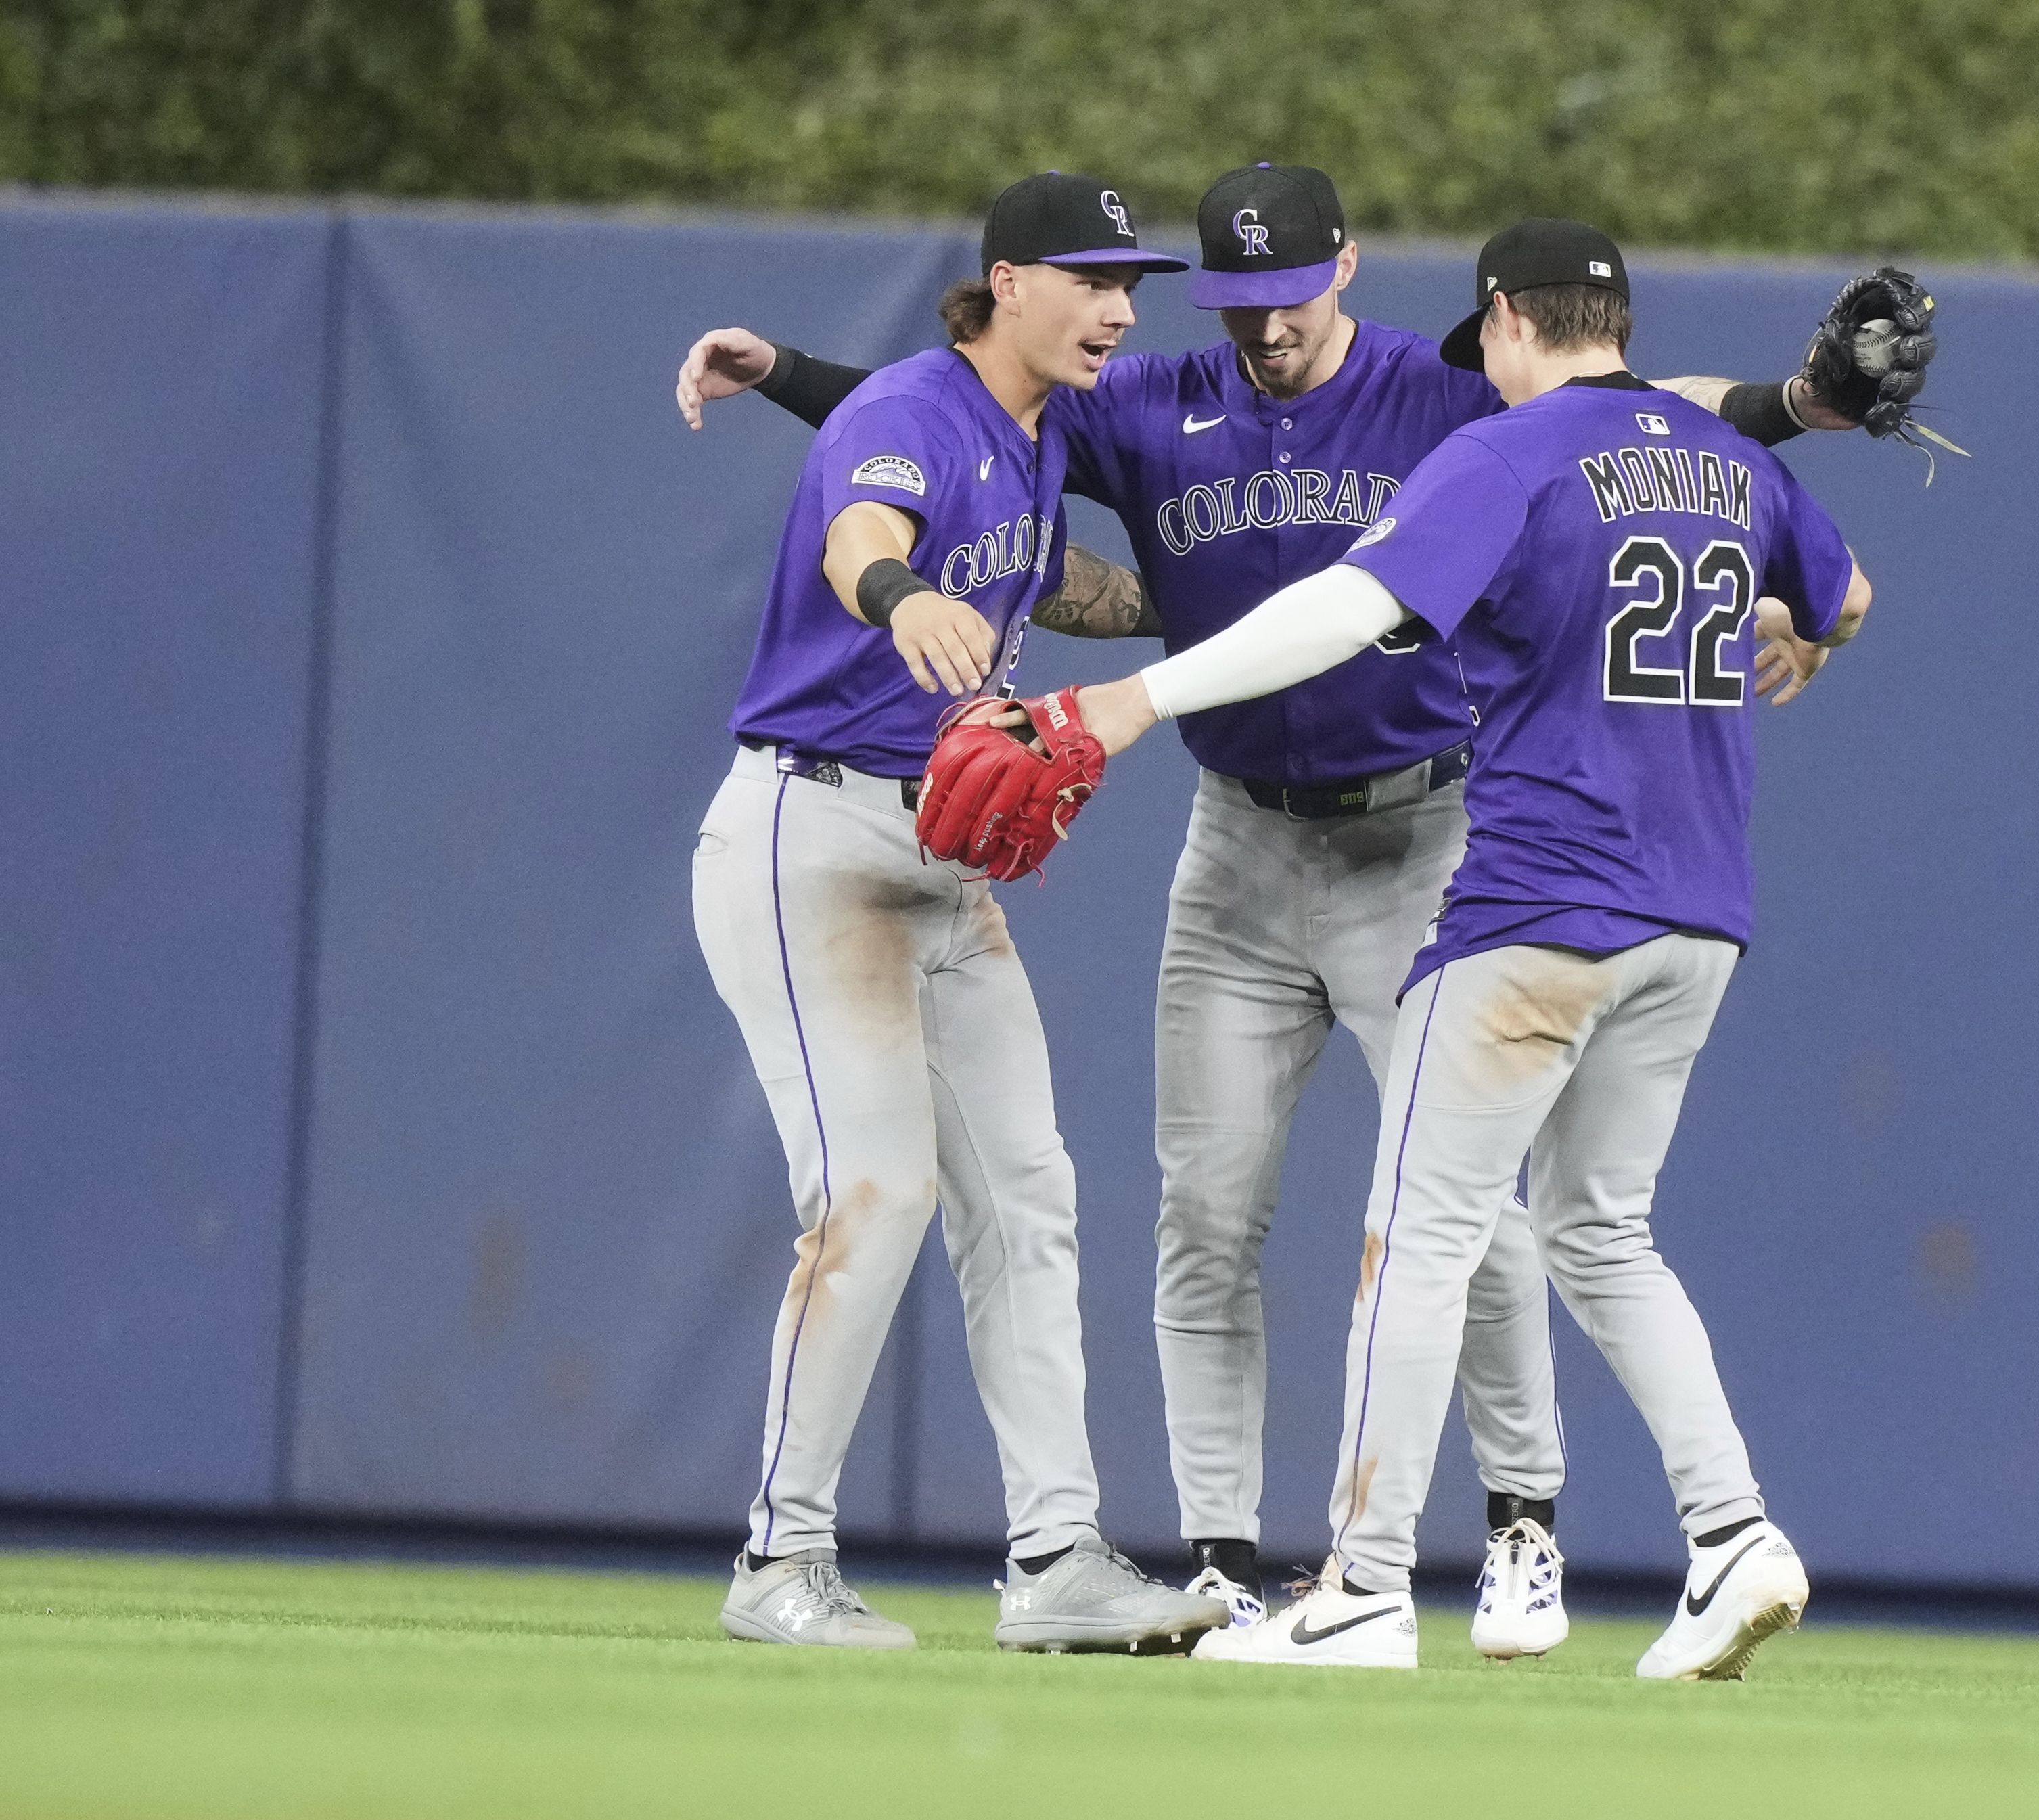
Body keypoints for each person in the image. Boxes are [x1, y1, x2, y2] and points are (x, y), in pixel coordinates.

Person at [674, 165, 1877, 1659]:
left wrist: (1794, 400)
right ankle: (1234, 1562)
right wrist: (797, 389)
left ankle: (1477, 1543)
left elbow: (1619, 396)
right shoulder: (1124, 404)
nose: (1253, 327)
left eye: (1283, 298)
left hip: (1429, 838)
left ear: (1367, 276)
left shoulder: (1441, 393)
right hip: (1206, 843)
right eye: (1223, 300)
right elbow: (931, 434)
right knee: (1227, 1217)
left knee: (1440, 1223)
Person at [1062, 217, 1872, 1676]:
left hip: (1538, 907)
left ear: (1505, 317)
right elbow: (1846, 593)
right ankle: (1734, 1531)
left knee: (1417, 1239)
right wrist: (1806, 637)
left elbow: (1344, 607)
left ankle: (1363, 1587)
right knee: (1597, 1230)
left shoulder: (1508, 453)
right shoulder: (1736, 465)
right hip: (1698, 915)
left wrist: (1136, 697)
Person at [695, 170, 1227, 1655]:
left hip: (938, 857)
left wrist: (1233, 602)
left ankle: (1055, 1558)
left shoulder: (1035, 433)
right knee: (875, 1191)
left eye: (1132, 283)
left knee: (1029, 1197)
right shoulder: (910, 412)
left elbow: (1062, 583)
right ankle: (779, 1561)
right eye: (1090, 277)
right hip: (810, 835)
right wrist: (893, 597)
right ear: (1006, 280)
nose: (1120, 307)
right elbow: (860, 533)